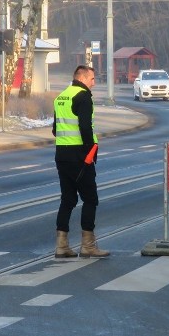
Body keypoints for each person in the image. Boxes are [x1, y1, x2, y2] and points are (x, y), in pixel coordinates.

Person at [52, 64, 109, 258]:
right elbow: (85, 127)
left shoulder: (61, 97)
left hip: (61, 155)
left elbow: (55, 129)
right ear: (83, 78)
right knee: (90, 199)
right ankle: (88, 245)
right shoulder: (83, 96)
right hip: (80, 156)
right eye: (92, 79)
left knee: (67, 199)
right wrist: (89, 152)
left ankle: (61, 245)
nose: (94, 82)